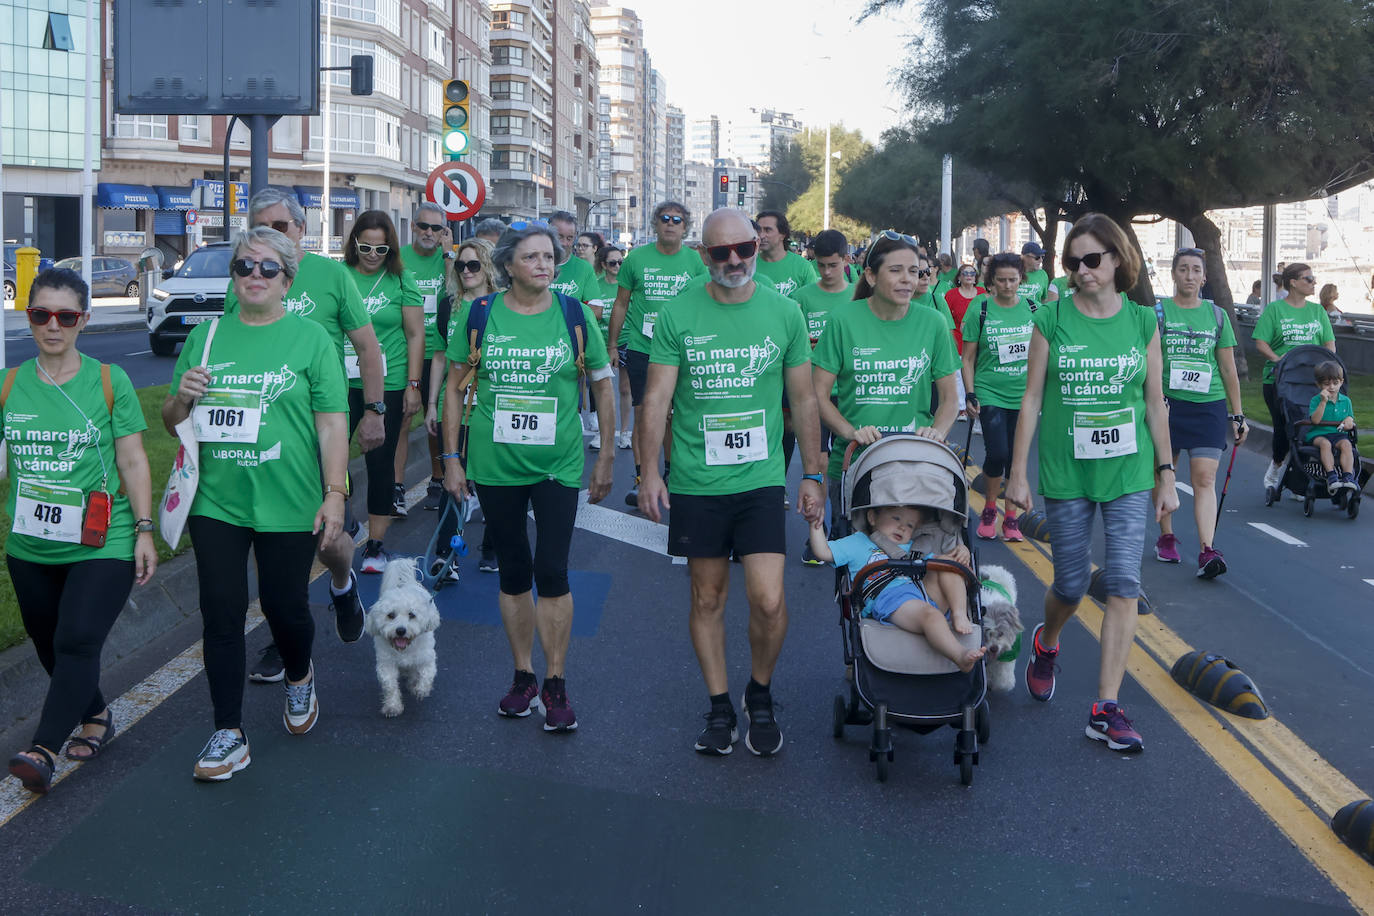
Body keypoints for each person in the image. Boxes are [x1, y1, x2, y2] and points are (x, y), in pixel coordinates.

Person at [637, 208, 826, 757]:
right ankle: (720, 706)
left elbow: (804, 399)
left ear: (758, 245)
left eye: (744, 248)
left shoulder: (784, 312)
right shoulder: (678, 313)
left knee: (768, 600)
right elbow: (656, 400)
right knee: (708, 596)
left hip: (763, 478)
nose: (736, 261)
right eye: (721, 253)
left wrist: (811, 473)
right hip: (698, 480)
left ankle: (759, 693)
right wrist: (650, 470)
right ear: (704, 255)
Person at [164, 227, 349, 781]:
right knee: (220, 611)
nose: (254, 277)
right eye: (245, 267)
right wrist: (182, 397)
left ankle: (299, 674)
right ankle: (228, 731)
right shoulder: (208, 337)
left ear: (287, 279)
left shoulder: (311, 338)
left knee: (283, 606)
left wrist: (334, 493)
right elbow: (170, 419)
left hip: (288, 497)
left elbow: (331, 421)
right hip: (216, 499)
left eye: (268, 268)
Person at [1006, 213, 1177, 755]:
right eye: (1073, 262)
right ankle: (1047, 641)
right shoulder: (1051, 319)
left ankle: (1105, 708)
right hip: (1067, 472)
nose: (1082, 271)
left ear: (1119, 259)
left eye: (1093, 260)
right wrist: (1016, 472)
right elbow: (1031, 399)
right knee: (1072, 585)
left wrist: (1166, 474)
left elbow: (1154, 401)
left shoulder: (1143, 322)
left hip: (1128, 471)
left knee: (1125, 582)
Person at [441, 222, 616, 733]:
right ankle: (523, 676)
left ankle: (556, 681)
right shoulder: (479, 314)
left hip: (557, 464)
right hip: (496, 464)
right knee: (514, 570)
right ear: (509, 266)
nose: (545, 264)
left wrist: (605, 454)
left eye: (551, 257)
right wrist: (451, 457)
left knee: (553, 570)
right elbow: (453, 388)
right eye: (533, 257)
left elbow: (603, 387)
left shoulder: (575, 314)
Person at [3, 269, 157, 795]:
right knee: (50, 646)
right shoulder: (9, 384)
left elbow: (134, 460)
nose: (53, 326)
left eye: (65, 316)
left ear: (83, 321)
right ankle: (95, 714)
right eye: (41, 314)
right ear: (28, 318)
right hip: (30, 544)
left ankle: (43, 750)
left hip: (103, 538)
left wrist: (142, 529)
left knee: (76, 638)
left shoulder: (109, 382)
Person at [226, 188, 382, 683]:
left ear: (302, 229)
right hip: (257, 430)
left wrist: (376, 410)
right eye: (262, 228)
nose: (272, 237)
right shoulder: (245, 278)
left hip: (319, 427)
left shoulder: (332, 275)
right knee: (274, 541)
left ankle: (341, 580)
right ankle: (283, 639)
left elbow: (367, 346)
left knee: (327, 535)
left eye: (283, 227)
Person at [812, 231, 961, 528]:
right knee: (855, 562)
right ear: (870, 275)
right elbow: (818, 395)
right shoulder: (843, 320)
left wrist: (937, 433)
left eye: (914, 271)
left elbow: (950, 398)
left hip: (914, 461)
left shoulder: (933, 322)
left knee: (913, 562)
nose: (908, 279)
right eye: (896, 270)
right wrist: (850, 432)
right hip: (854, 462)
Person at [1152, 248, 1247, 579]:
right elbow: (1149, 362)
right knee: (1165, 473)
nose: (1189, 275)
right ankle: (1166, 537)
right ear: (1174, 274)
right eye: (1183, 269)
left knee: (1205, 477)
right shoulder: (1158, 314)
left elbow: (1227, 367)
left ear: (1204, 277)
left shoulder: (1217, 316)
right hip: (1168, 404)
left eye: (1195, 270)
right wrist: (1153, 398)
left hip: (1208, 404)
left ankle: (1208, 550)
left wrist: (1238, 414)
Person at [606, 201, 707, 505]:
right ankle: (640, 478)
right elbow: (621, 303)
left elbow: (705, 304)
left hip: (681, 352)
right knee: (644, 414)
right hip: (642, 348)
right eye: (665, 218)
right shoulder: (636, 259)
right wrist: (612, 344)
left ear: (685, 226)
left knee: (674, 418)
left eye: (677, 219)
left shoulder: (694, 262)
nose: (670, 223)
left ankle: (671, 473)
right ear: (655, 224)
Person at [343, 211, 425, 572]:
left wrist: (413, 385)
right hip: (339, 383)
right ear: (353, 244)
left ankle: (375, 545)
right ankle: (343, 518)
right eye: (365, 246)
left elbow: (415, 335)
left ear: (390, 246)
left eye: (381, 247)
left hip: (388, 386)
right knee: (325, 458)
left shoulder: (402, 280)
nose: (373, 254)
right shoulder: (339, 277)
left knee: (380, 465)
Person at [808, 507, 986, 671]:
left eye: (909, 525)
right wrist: (815, 525)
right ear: (872, 517)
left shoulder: (913, 547)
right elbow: (823, 552)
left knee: (950, 565)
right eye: (896, 518)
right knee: (930, 615)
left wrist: (961, 551)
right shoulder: (857, 542)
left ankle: (959, 612)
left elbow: (943, 561)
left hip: (921, 591)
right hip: (890, 599)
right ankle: (960, 655)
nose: (902, 527)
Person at [425, 238, 499, 579]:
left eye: (474, 265)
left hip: (490, 405)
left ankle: (492, 546)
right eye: (461, 266)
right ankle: (446, 554)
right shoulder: (448, 306)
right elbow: (439, 356)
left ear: (487, 267)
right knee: (454, 477)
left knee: (492, 480)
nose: (467, 272)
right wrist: (430, 403)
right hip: (453, 403)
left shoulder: (500, 305)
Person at [961, 253, 1035, 541]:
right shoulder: (979, 309)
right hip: (990, 390)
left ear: (1021, 279)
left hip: (1024, 394)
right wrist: (969, 393)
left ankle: (1012, 517)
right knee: (998, 453)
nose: (1007, 286)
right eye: (1001, 280)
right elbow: (967, 358)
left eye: (1013, 280)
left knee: (1017, 458)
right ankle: (991, 507)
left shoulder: (1033, 308)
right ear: (991, 281)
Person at [1253, 263, 1336, 495]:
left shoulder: (1318, 311)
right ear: (1293, 282)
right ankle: (1276, 465)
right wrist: (1279, 360)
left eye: (1313, 278)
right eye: (1308, 279)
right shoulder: (1274, 310)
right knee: (1285, 427)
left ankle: (1304, 476)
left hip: (1312, 380)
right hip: (1280, 380)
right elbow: (1261, 342)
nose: (1313, 283)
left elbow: (1329, 342)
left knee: (1312, 427)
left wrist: (1331, 365)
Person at [400, 202, 452, 513]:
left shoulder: (453, 260)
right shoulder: (400, 259)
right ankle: (395, 487)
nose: (429, 233)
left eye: (436, 228)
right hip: (406, 348)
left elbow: (454, 294)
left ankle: (437, 476)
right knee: (404, 416)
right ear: (413, 227)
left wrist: (448, 256)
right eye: (424, 226)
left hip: (442, 349)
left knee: (439, 418)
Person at [590, 244, 631, 450]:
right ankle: (601, 433)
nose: (617, 266)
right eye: (613, 263)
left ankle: (624, 432)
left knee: (625, 389)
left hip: (625, 339)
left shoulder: (626, 284)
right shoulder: (596, 284)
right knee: (601, 387)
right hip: (600, 341)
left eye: (621, 262)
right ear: (604, 265)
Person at [1307, 360, 1359, 491]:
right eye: (1326, 384)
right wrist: (1323, 402)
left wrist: (1348, 420)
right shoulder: (1316, 400)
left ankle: (1348, 476)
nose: (1331, 387)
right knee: (1325, 444)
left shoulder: (1346, 401)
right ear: (1319, 385)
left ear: (1341, 382)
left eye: (1335, 383)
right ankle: (1331, 476)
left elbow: (1349, 417)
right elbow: (1315, 421)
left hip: (1338, 433)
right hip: (1319, 433)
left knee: (1347, 444)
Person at [944, 263, 985, 357]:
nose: (969, 275)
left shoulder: (982, 293)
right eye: (965, 273)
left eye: (972, 273)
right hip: (958, 345)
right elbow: (946, 320)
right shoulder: (951, 294)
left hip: (980, 346)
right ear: (959, 277)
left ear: (976, 277)